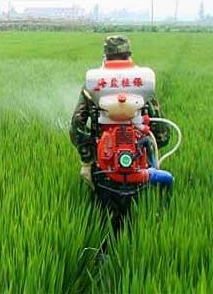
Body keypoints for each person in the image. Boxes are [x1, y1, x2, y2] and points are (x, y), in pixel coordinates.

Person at [69, 35, 170, 231]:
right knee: (138, 226)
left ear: (105, 56)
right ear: (128, 54)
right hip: (139, 166)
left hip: (104, 168)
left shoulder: (94, 83)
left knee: (103, 225)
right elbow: (162, 132)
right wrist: (150, 154)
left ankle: (103, 253)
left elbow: (76, 125)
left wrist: (87, 160)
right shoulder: (143, 83)